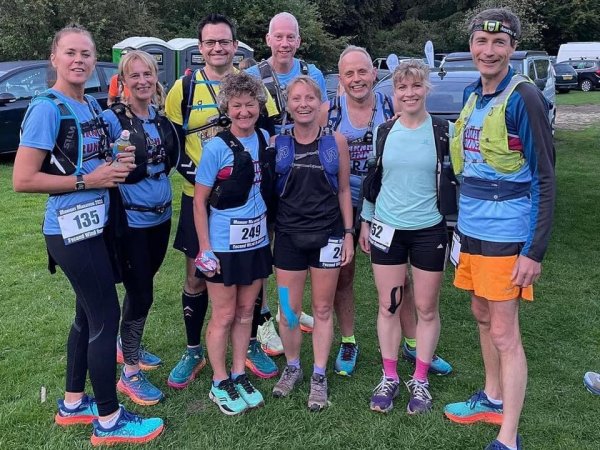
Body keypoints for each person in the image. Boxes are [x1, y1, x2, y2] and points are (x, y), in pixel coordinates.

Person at [12, 24, 163, 445]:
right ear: (55, 58)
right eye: (71, 53)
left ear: (95, 62)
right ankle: (110, 420)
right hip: (68, 229)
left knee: (85, 317)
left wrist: (120, 155)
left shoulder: (93, 107)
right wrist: (88, 179)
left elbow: (110, 155)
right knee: (105, 318)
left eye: (86, 54)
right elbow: (22, 179)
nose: (79, 60)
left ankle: (73, 404)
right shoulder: (47, 108)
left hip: (95, 225)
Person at [443, 9, 556, 450]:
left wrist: (534, 250)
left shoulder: (522, 96)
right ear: (471, 45)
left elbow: (546, 177)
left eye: (499, 44)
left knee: (505, 332)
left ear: (511, 48)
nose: (488, 51)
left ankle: (508, 438)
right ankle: (491, 398)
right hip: (471, 229)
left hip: (507, 232)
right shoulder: (475, 94)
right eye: (481, 42)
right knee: (481, 315)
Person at [323, 46, 453, 379]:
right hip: (344, 201)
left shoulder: (388, 104)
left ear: (373, 73)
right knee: (344, 275)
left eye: (362, 71)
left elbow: (413, 129)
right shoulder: (330, 111)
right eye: (349, 73)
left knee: (405, 279)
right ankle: (349, 341)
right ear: (341, 78)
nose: (356, 79)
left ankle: (412, 343)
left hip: (389, 204)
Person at [165, 13, 278, 389]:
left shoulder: (253, 85)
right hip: (199, 199)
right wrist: (203, 181)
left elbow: (269, 132)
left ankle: (250, 346)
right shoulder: (184, 88)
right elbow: (172, 142)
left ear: (234, 44)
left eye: (224, 41)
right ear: (200, 48)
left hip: (248, 204)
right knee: (198, 276)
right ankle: (194, 348)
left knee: (251, 280)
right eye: (210, 42)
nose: (217, 48)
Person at [359, 59, 455, 415]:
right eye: (402, 87)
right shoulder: (385, 131)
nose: (409, 93)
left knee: (426, 308)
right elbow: (374, 180)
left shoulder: (444, 132)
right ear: (394, 92)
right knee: (389, 305)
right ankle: (389, 376)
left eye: (416, 86)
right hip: (388, 229)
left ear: (426, 89)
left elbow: (456, 178)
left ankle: (421, 379)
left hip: (429, 229)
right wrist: (367, 221)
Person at [271, 75, 353, 411]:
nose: (303, 104)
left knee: (322, 308)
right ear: (288, 105)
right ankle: (293, 367)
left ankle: (319, 375)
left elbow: (345, 190)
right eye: (296, 98)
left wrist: (348, 233)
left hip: (329, 234)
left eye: (310, 98)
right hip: (289, 236)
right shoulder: (278, 143)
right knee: (288, 311)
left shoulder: (336, 141)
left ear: (321, 104)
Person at [101, 50, 179, 406]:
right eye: (134, 76)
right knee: (142, 292)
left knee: (141, 288)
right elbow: (94, 158)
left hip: (161, 217)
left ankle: (126, 345)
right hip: (130, 220)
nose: (143, 81)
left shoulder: (159, 118)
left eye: (147, 74)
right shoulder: (113, 119)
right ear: (124, 81)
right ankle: (129, 374)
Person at [194, 71, 273, 416]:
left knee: (246, 313)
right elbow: (199, 202)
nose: (244, 111)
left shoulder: (266, 139)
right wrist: (205, 248)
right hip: (224, 243)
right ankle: (219, 380)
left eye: (250, 104)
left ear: (259, 105)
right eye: (237, 105)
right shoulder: (215, 147)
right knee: (224, 314)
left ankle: (239, 372)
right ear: (227, 107)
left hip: (256, 241)